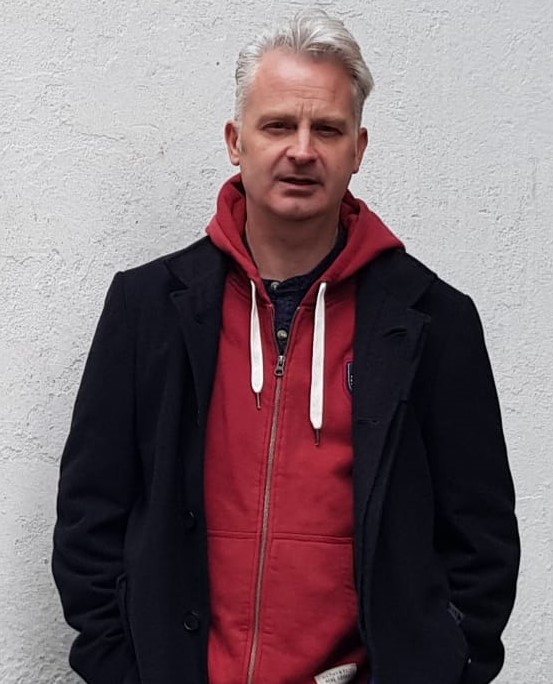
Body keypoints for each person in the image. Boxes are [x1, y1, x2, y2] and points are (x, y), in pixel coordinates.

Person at [52, 9, 520, 684]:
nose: (302, 150)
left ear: (357, 149)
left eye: (326, 129)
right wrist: (122, 666)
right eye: (277, 125)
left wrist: (444, 664)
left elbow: (481, 542)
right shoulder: (148, 308)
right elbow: (88, 516)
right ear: (235, 140)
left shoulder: (433, 320)